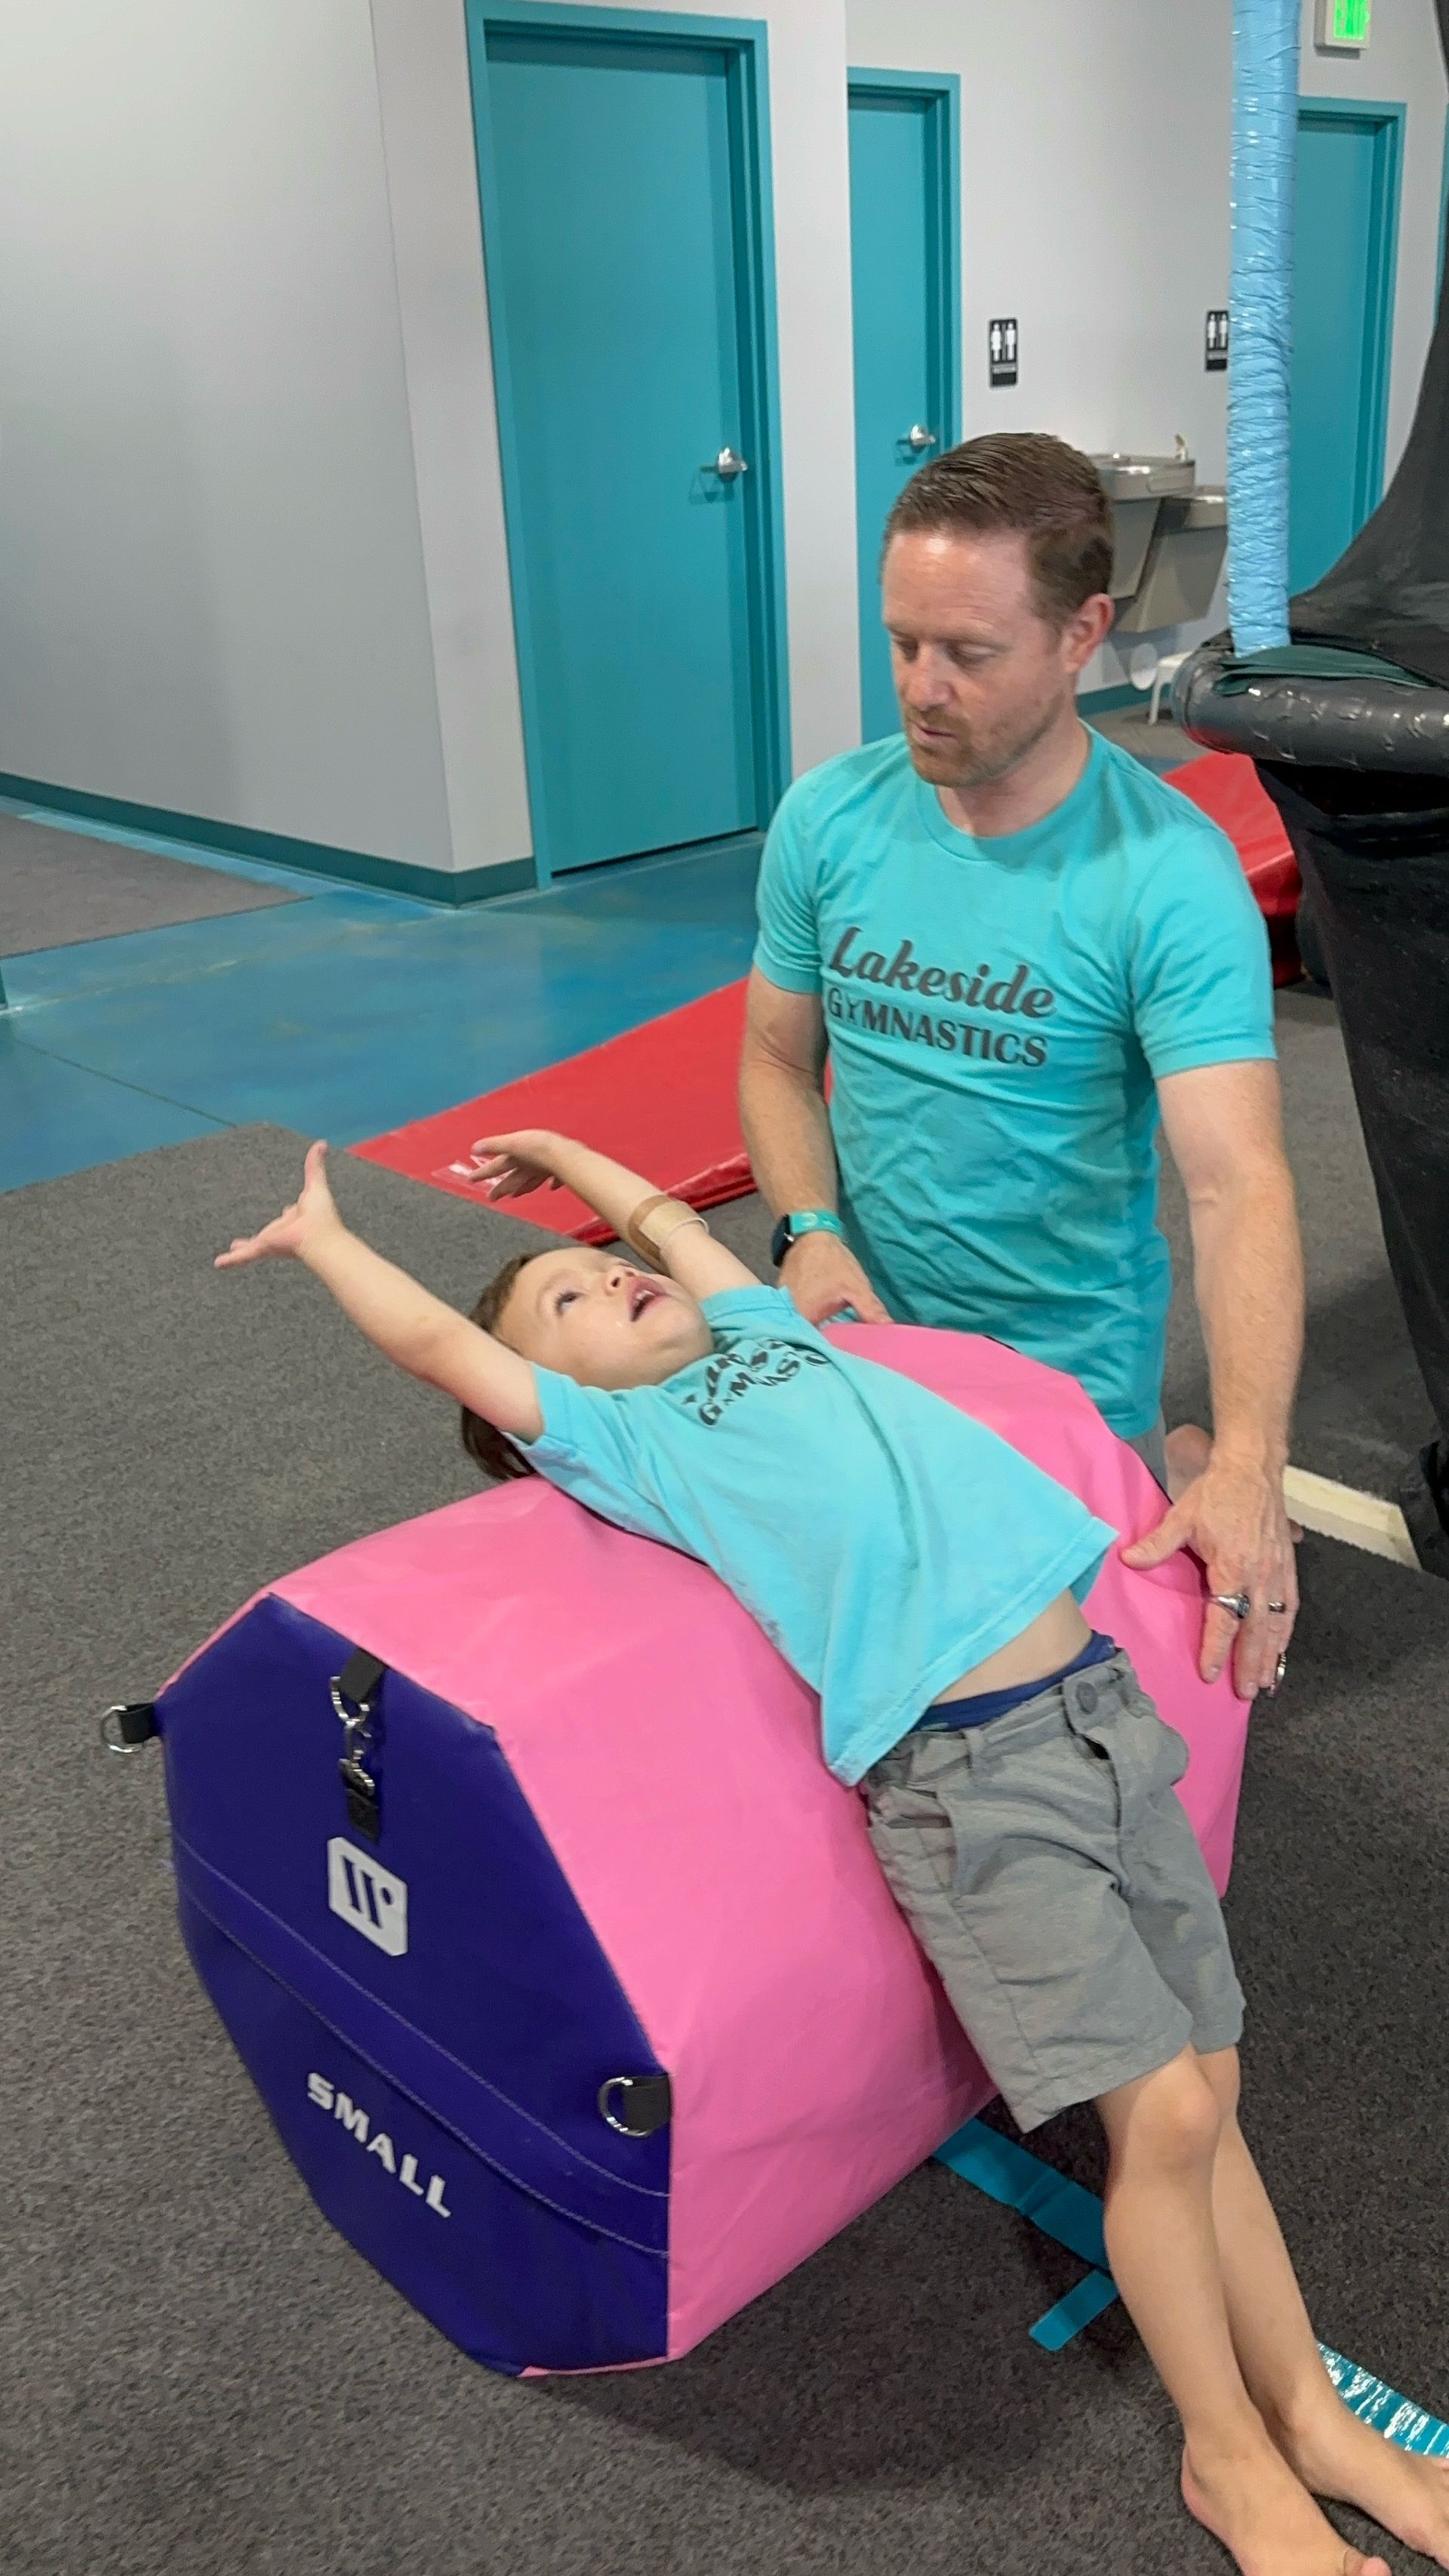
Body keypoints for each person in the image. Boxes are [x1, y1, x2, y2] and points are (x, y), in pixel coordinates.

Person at [217, 1131, 1447, 2576]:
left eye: (597, 1268)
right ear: (547, 1407)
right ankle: (1229, 2460)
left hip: (1097, 1712)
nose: (607, 1278)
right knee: (1163, 2118)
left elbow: (669, 1212)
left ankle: (1308, 2414)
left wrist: (561, 1158)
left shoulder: (757, 1330)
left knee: (1214, 2085)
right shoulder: (631, 1440)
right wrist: (329, 1240)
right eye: (564, 1303)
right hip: (974, 1780)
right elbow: (440, 1342)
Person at [739, 432, 1304, 1702]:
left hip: (1061, 1389)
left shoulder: (1166, 877)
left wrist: (1255, 1464)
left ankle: (1180, 1450)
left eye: (970, 654)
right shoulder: (828, 818)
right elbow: (777, 1062)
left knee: (1076, 1731)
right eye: (902, 644)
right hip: (863, 1342)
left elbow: (1238, 1184)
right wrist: (807, 1231)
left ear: (1081, 630)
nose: (923, 688)